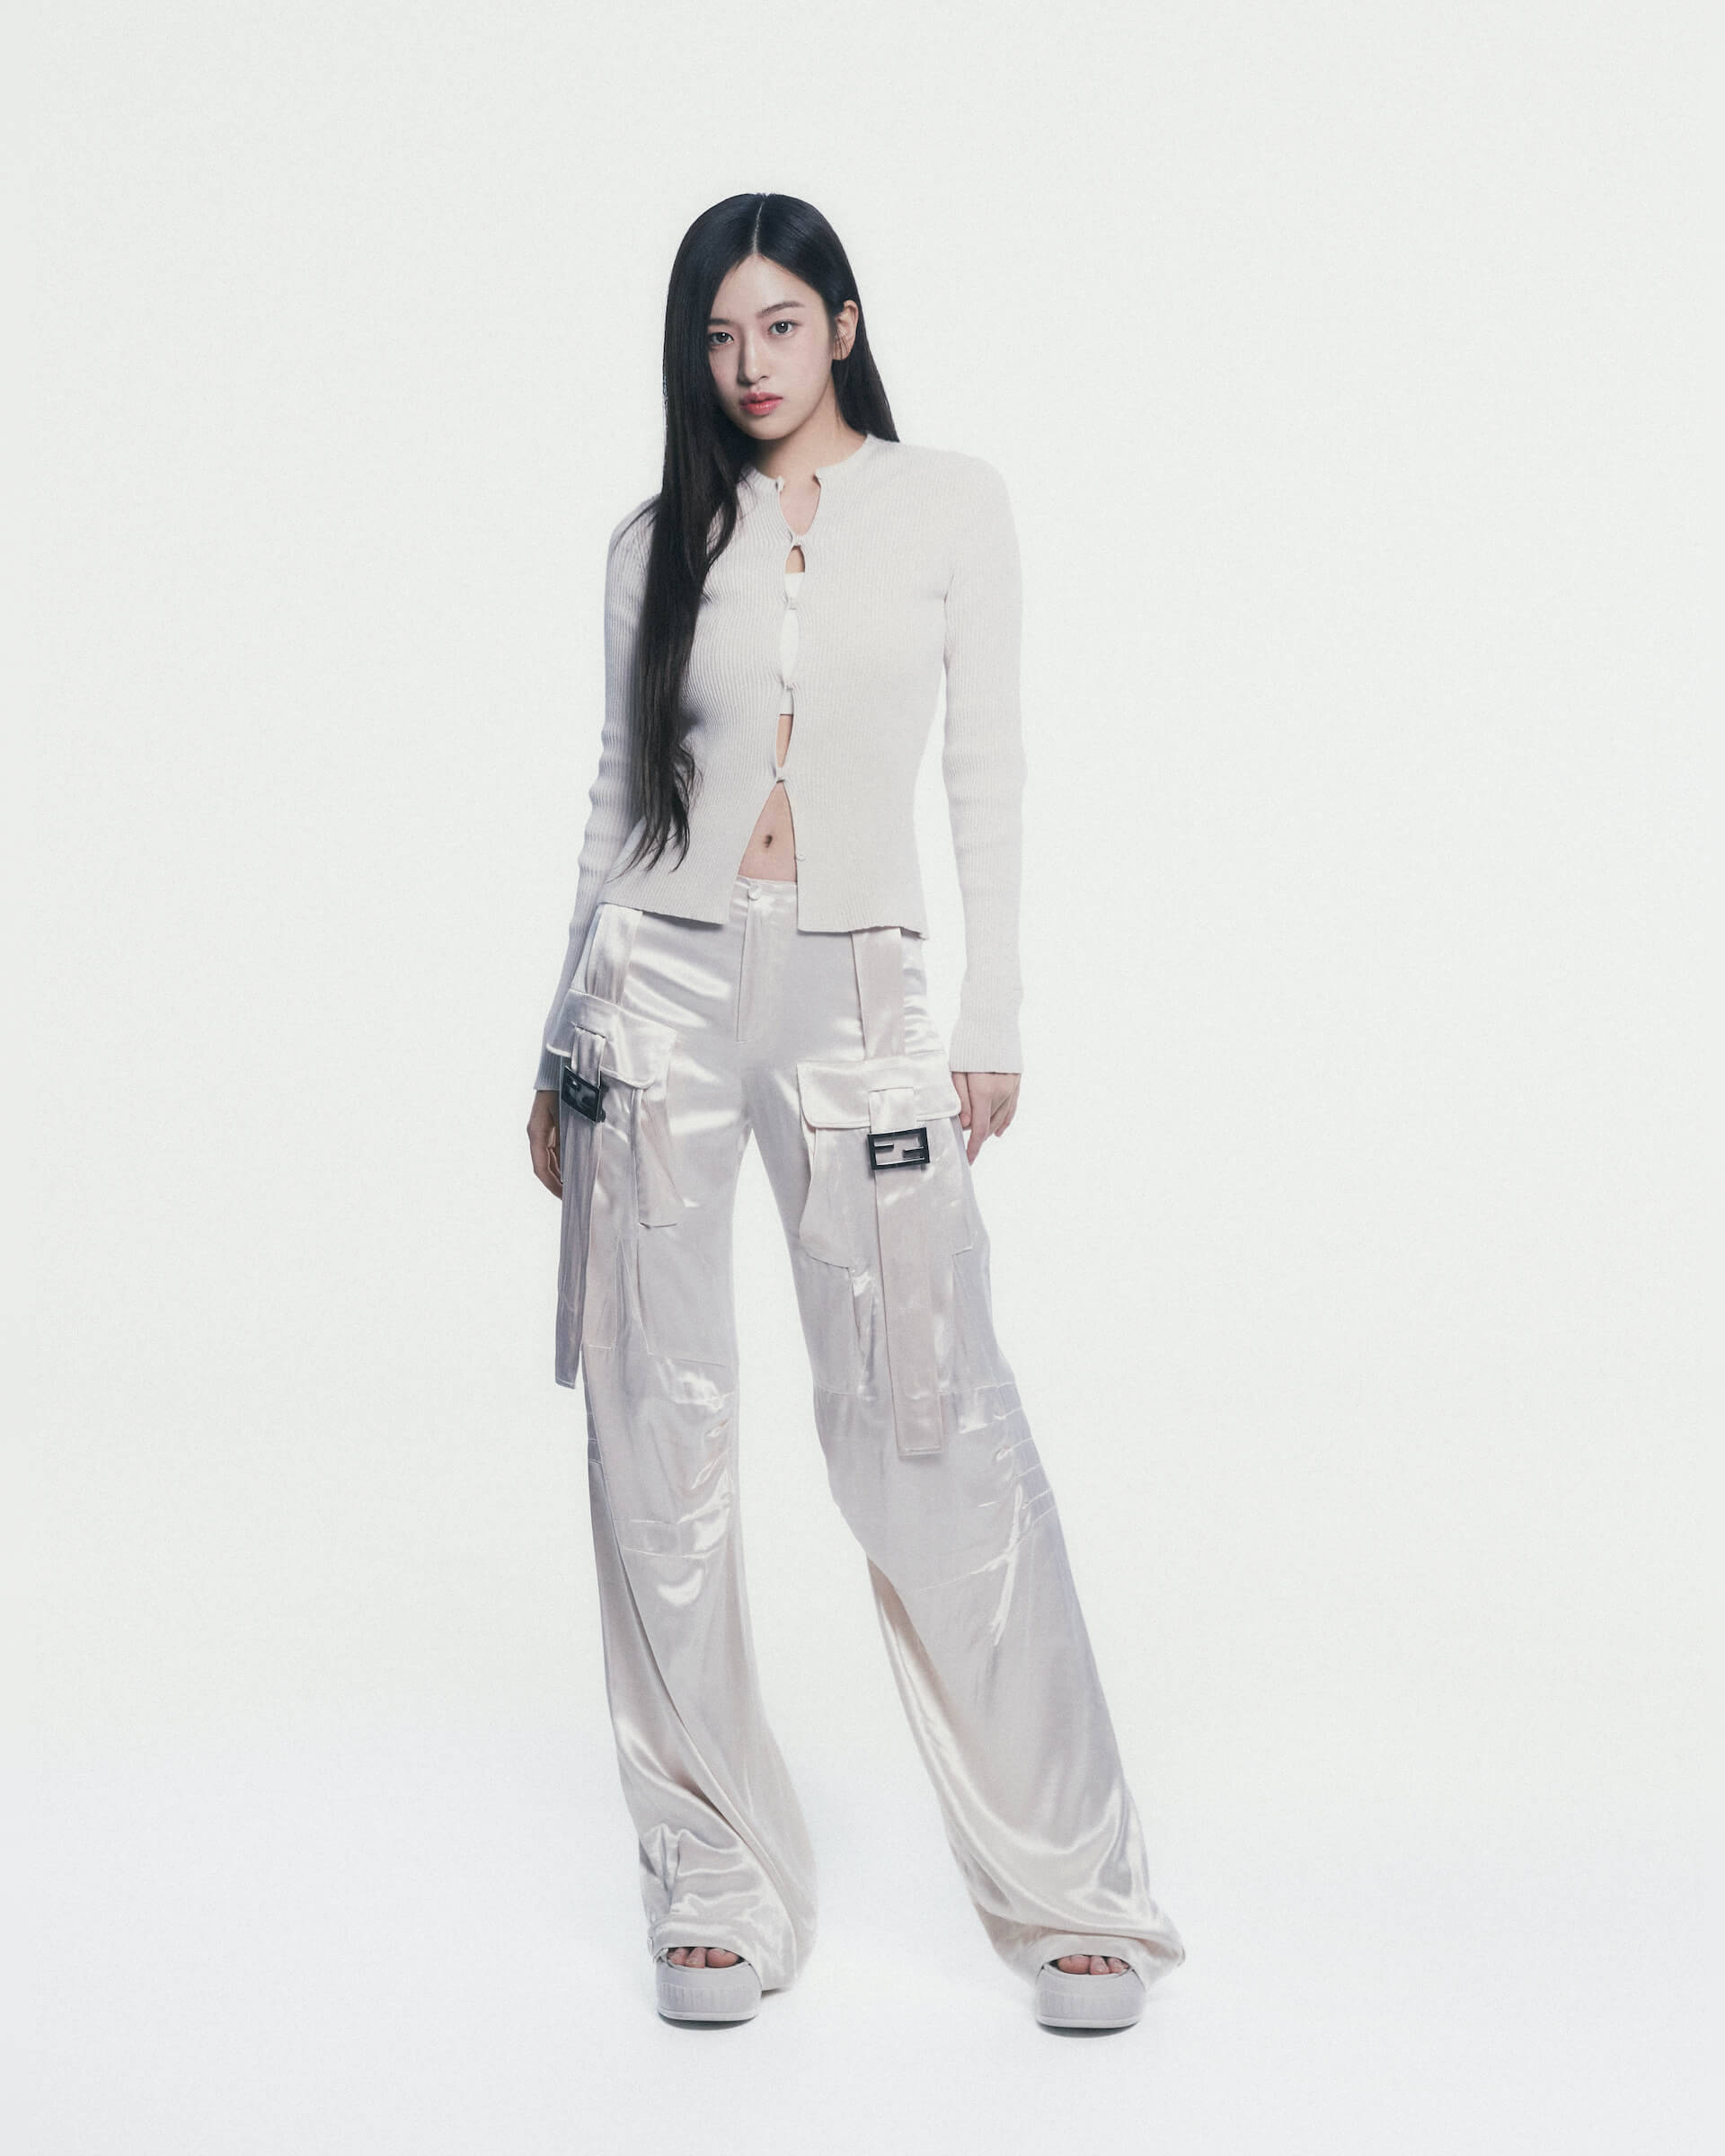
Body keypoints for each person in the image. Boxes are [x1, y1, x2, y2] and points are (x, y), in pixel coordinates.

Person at [526, 193, 1184, 2031]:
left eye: (779, 326)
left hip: (864, 991)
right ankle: (711, 1878)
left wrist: (993, 1013)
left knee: (932, 1419)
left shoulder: (950, 503)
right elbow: (615, 796)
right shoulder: (656, 540)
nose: (749, 365)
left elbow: (990, 764)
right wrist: (551, 1042)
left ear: (843, 322)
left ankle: (1073, 1888)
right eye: (718, 336)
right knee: (656, 1437)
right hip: (653, 989)